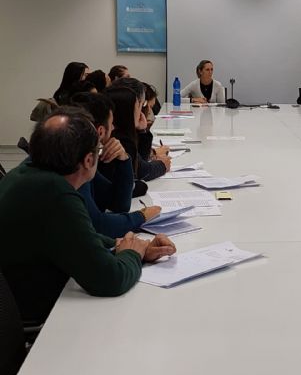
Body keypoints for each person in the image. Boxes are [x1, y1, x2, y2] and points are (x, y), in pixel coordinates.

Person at [0, 107, 176, 324]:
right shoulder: (56, 194)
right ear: (89, 161)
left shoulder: (25, 173)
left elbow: (80, 234)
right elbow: (110, 279)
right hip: (41, 313)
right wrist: (132, 255)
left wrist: (131, 245)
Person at [72, 92, 161, 238]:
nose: (113, 128)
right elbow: (98, 225)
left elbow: (119, 204)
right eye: (111, 123)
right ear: (100, 131)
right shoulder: (74, 164)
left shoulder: (82, 154)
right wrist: (141, 217)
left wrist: (123, 158)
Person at [102, 83, 170, 184]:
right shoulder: (120, 138)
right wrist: (162, 165)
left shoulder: (124, 133)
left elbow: (141, 158)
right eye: (140, 106)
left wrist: (143, 131)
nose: (142, 112)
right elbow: (140, 172)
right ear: (128, 111)